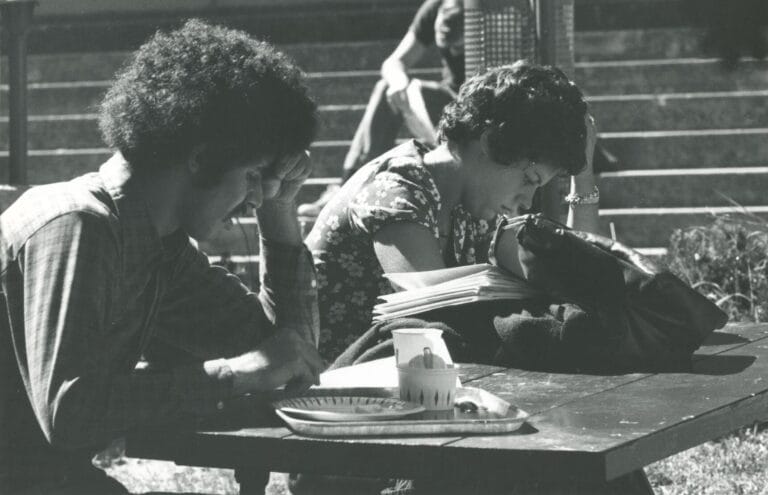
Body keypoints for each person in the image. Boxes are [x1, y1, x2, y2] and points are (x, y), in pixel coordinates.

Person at [0, 20, 324, 494]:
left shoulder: (161, 247)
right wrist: (234, 373)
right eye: (254, 173)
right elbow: (70, 412)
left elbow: (287, 353)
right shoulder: (78, 225)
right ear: (200, 156)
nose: (257, 197)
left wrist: (280, 210)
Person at [305, 62, 600, 361]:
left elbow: (571, 279)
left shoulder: (473, 204)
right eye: (528, 180)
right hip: (336, 386)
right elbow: (438, 322)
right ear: (489, 143)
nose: (527, 201)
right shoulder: (398, 189)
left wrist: (584, 177)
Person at [297, 0, 464, 217]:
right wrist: (399, 83)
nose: (451, 47)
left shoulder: (497, 12)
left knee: (414, 92)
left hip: (472, 106)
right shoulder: (436, 6)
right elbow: (394, 62)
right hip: (443, 103)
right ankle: (350, 186)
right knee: (387, 87)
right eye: (443, 26)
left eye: (457, 44)